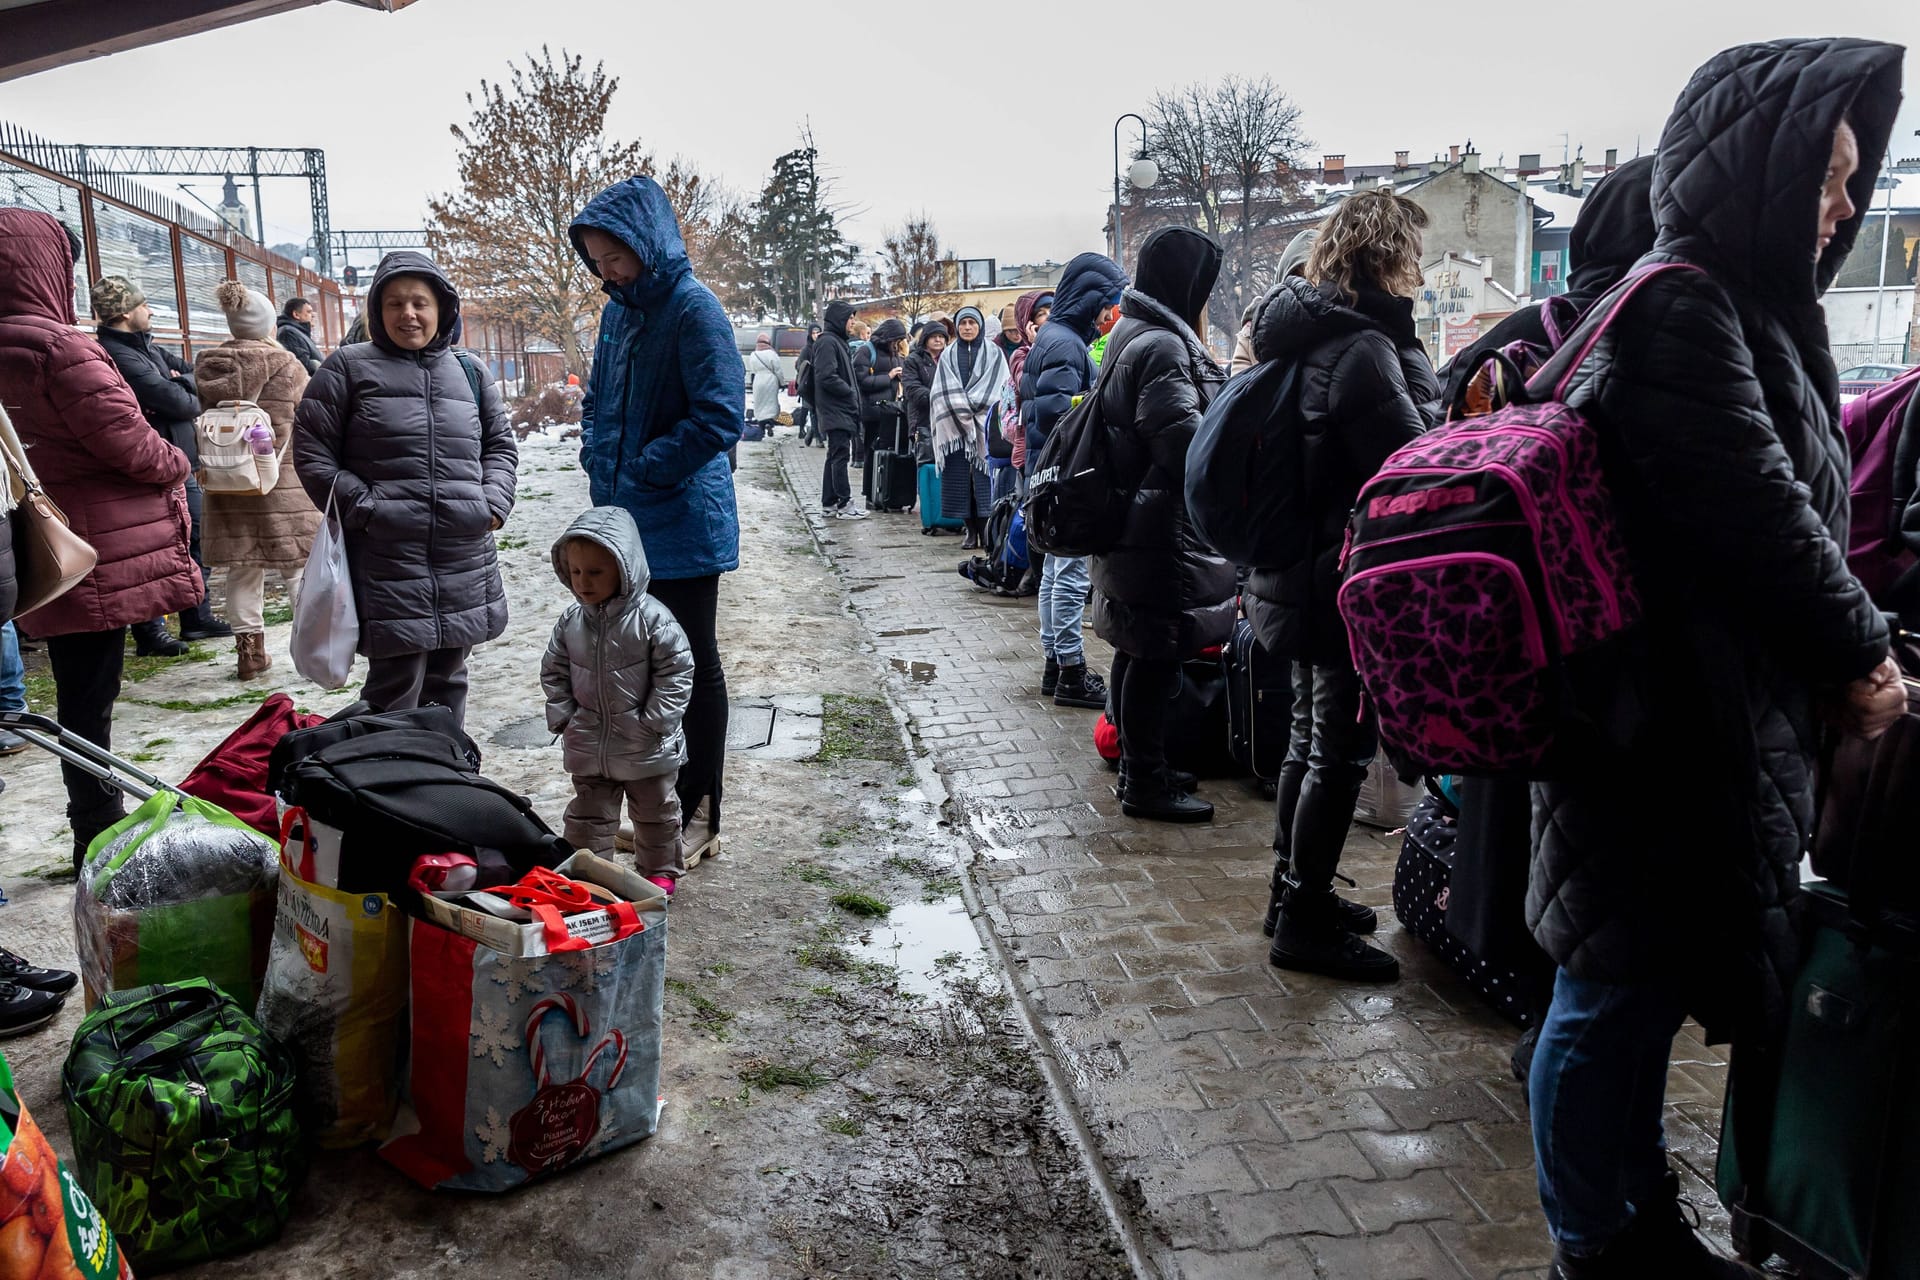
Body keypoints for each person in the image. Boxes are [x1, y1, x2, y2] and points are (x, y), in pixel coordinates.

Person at [1524, 41, 1902, 1277]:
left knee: (1641, 988)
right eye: (1830, 178)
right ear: (1762, 167)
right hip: (1650, 730)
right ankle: (1591, 1236)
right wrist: (1862, 652)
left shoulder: (1735, 301)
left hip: (1699, 725)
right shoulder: (1685, 301)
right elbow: (1761, 516)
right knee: (1603, 1000)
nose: (1847, 206)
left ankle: (1638, 1209)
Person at [1243, 188, 1437, 984]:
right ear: (1387, 255)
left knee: (1305, 740)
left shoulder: (1305, 334)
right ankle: (1303, 919)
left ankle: (1292, 892)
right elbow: (1416, 462)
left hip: (1291, 568)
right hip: (1335, 577)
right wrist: (1421, 365)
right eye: (1413, 256)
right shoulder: (1362, 349)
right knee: (1337, 751)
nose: (1419, 272)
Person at [0, 210, 203, 865]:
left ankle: (96, 824)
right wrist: (178, 463)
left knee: (79, 687)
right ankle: (100, 833)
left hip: (34, 536)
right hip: (94, 542)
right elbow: (132, 444)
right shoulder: (59, 347)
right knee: (92, 699)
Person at [570, 175, 741, 865]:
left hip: (682, 521)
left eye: (617, 256)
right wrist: (595, 451)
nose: (607, 271)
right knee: (633, 666)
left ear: (648, 243)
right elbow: (597, 399)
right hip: (623, 522)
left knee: (691, 666)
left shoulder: (694, 310)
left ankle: (701, 810)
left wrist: (644, 470)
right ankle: (656, 809)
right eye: (597, 260)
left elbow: (721, 418)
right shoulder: (618, 313)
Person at [293, 251, 516, 728]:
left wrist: (492, 505)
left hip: (462, 553)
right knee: (396, 683)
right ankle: (392, 782)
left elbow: (499, 446)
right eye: (394, 304)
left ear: (442, 310)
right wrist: (367, 508)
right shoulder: (347, 369)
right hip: (386, 556)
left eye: (419, 303)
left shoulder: (470, 373)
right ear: (377, 311)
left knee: (450, 677)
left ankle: (446, 782)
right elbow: (313, 454)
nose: (408, 314)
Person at [1092, 227, 1234, 824]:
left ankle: (1139, 767)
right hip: (1161, 532)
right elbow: (1183, 444)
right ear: (1185, 284)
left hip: (1136, 525)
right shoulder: (1164, 347)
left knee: (1136, 652)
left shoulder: (1133, 332)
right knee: (1153, 659)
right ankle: (1145, 782)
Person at [542, 507, 695, 896]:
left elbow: (677, 670)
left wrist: (656, 721)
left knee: (656, 813)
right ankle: (590, 876)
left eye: (595, 572)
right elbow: (554, 671)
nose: (583, 583)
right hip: (589, 740)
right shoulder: (571, 622)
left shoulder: (653, 619)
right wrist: (564, 715)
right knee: (587, 816)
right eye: (575, 572)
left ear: (625, 571)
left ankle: (659, 871)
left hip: (645, 742)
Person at [91, 274, 233, 653]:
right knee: (151, 547)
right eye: (143, 305)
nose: (150, 311)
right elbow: (182, 401)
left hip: (179, 460)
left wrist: (181, 381)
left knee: (196, 536)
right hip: (152, 464)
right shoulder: (117, 354)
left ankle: (195, 617)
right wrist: (182, 386)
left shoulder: (145, 345)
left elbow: (194, 375)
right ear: (124, 313)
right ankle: (150, 633)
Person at [195, 281, 322, 679]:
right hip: (280, 482)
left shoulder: (210, 366)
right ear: (269, 323)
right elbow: (309, 418)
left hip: (227, 480)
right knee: (299, 567)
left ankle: (249, 654)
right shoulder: (286, 364)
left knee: (242, 568)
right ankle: (313, 648)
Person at [1022, 251, 1126, 709]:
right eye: (1107, 302)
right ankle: (1070, 670)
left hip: (1049, 474)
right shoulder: (1065, 344)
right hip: (1067, 479)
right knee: (1066, 574)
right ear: (1089, 300)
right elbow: (1059, 412)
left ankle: (1054, 662)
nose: (1109, 314)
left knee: (1052, 572)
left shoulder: (1055, 337)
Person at [930, 307, 1007, 551]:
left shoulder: (995, 353)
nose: (967, 327)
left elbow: (1000, 387)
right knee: (958, 478)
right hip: (954, 424)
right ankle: (969, 530)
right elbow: (940, 391)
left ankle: (986, 529)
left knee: (984, 479)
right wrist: (961, 407)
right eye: (962, 323)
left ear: (980, 326)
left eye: (972, 323)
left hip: (985, 424)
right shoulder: (948, 354)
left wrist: (975, 405)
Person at [1232, 229, 1316, 376]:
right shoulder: (1251, 333)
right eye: (1297, 279)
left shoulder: (1252, 330)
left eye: (1312, 280)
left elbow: (1238, 392)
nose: (1304, 290)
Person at [811, 299, 865, 520]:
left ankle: (829, 502)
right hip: (836, 409)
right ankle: (844, 503)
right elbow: (826, 376)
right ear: (840, 319)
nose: (852, 323)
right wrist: (849, 392)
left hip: (837, 409)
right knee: (840, 456)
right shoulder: (828, 343)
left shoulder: (835, 341)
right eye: (850, 318)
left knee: (834, 455)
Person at [856, 318, 909, 506]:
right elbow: (861, 381)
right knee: (871, 451)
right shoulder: (866, 351)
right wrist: (889, 376)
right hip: (872, 410)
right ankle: (870, 494)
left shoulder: (893, 352)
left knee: (885, 451)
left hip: (889, 409)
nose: (897, 344)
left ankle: (885, 491)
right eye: (895, 340)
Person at [902, 319, 946, 465]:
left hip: (946, 421)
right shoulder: (913, 360)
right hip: (922, 421)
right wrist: (939, 398)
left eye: (941, 336)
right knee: (926, 465)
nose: (938, 340)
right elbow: (912, 389)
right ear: (925, 339)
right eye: (934, 336)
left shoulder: (949, 359)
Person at [746, 333, 784, 434]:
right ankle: (770, 422)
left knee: (759, 402)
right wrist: (782, 382)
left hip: (758, 380)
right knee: (771, 401)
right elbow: (778, 370)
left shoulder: (753, 355)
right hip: (771, 379)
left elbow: (752, 369)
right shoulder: (772, 354)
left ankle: (762, 425)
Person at [276, 296, 324, 374]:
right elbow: (301, 364)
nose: (312, 315)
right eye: (308, 312)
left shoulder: (298, 332)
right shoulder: (288, 333)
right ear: (296, 314)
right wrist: (320, 365)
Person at [796, 323, 823, 446]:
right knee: (812, 410)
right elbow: (799, 366)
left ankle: (813, 431)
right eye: (814, 333)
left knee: (820, 411)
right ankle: (818, 437)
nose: (816, 335)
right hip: (809, 385)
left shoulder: (824, 347)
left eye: (818, 332)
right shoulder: (806, 349)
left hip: (822, 384)